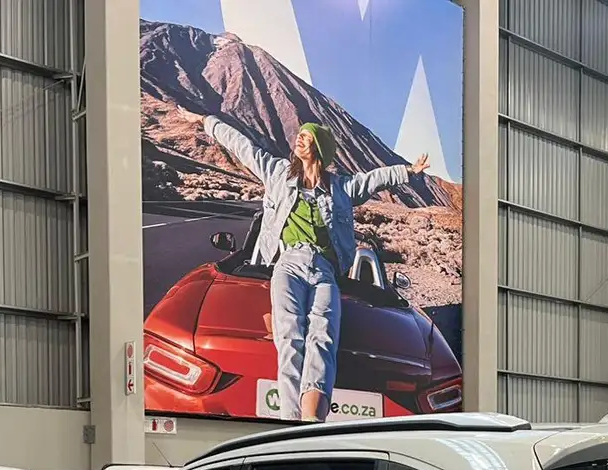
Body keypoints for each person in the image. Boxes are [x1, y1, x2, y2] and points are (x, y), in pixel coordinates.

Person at [176, 107, 429, 422]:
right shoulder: (278, 173)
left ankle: (311, 422)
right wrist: (205, 121)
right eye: (300, 134)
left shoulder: (340, 188)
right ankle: (289, 420)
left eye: (307, 137)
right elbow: (242, 146)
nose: (299, 139)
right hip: (288, 264)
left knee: (323, 338)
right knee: (290, 336)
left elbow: (373, 180)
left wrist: (408, 171)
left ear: (320, 149)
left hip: (324, 271)